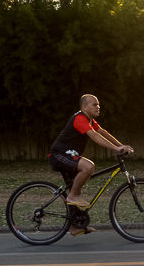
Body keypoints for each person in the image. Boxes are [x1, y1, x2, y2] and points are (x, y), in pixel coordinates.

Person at [48, 94, 133, 233]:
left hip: (69, 155)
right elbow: (94, 135)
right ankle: (72, 196)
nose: (98, 107)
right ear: (84, 107)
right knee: (88, 167)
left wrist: (121, 145)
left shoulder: (89, 120)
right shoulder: (79, 119)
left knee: (75, 186)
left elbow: (102, 131)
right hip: (59, 155)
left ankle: (75, 225)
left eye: (98, 104)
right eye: (94, 104)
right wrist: (116, 149)